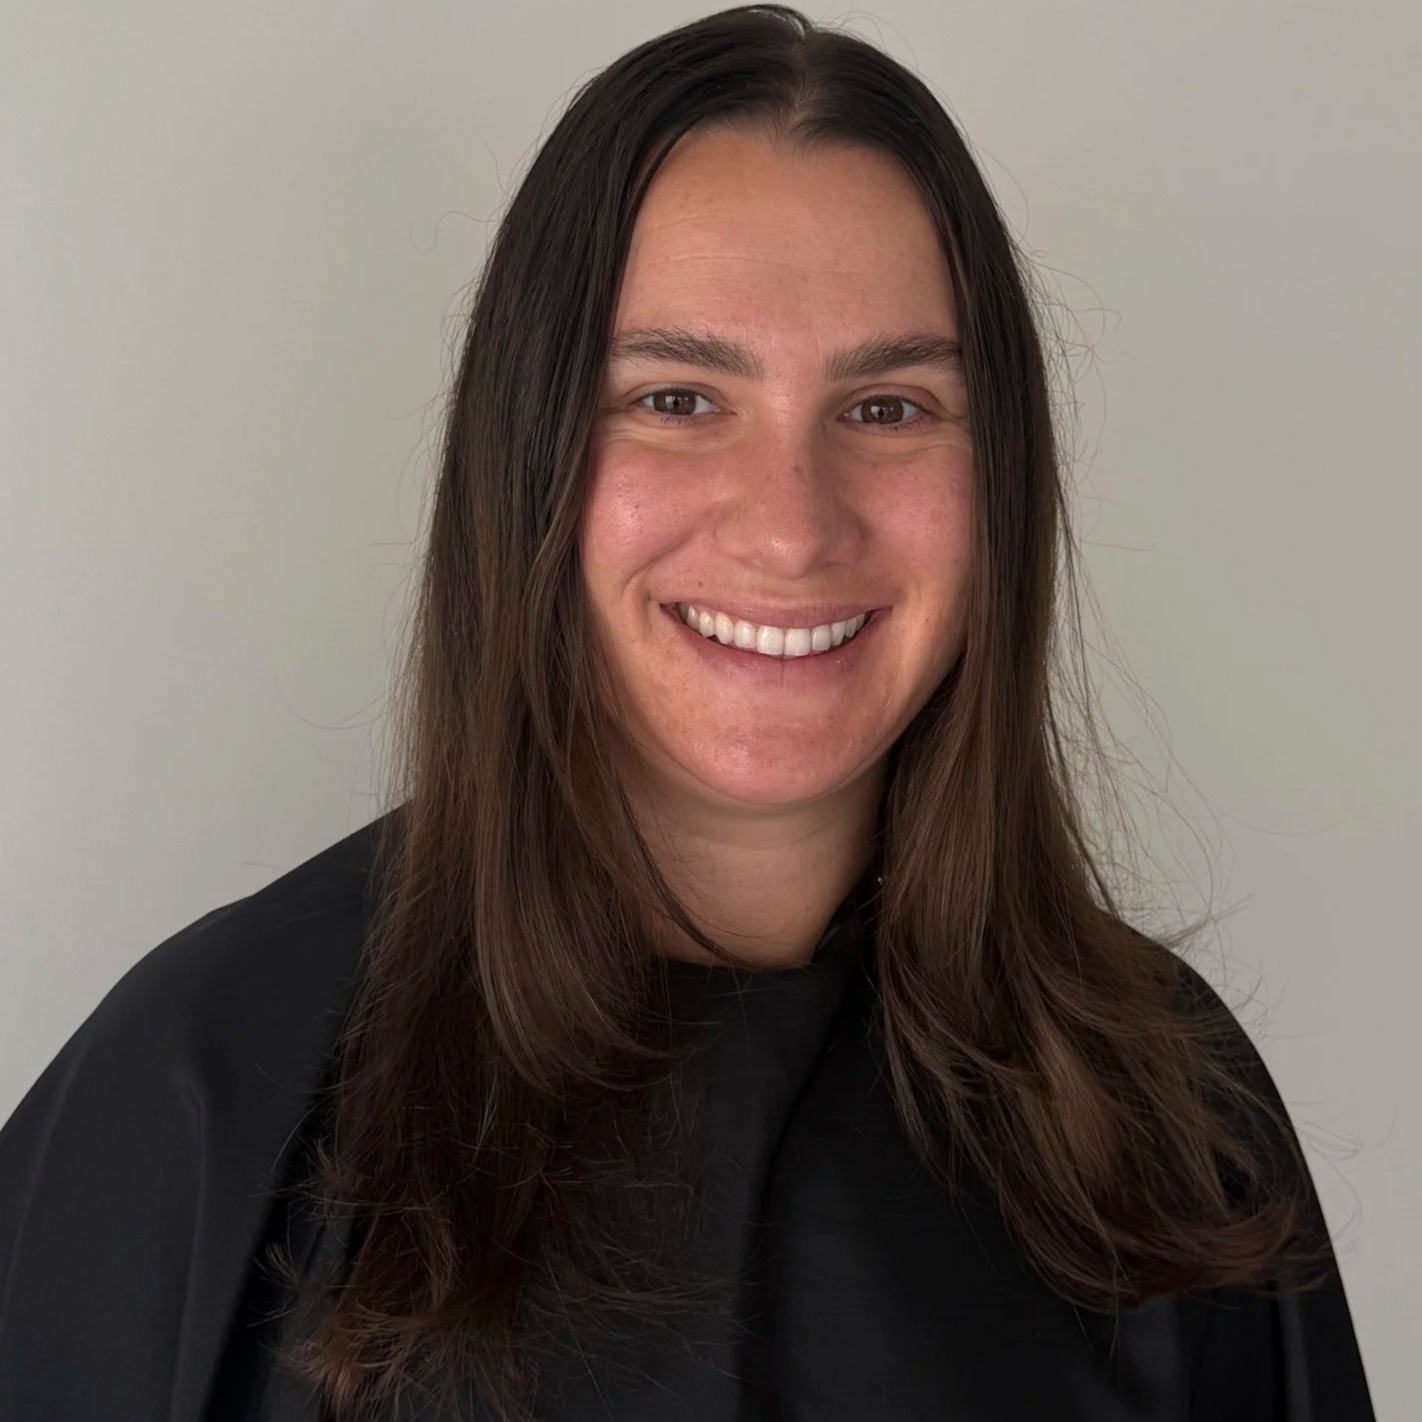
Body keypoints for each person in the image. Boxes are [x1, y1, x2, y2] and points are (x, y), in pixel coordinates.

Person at [0, 6, 1376, 1420]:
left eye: (890, 407)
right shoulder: (206, 1095)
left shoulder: (1158, 1115)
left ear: (1002, 484)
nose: (789, 529)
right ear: (526, 457)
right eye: (675, 396)